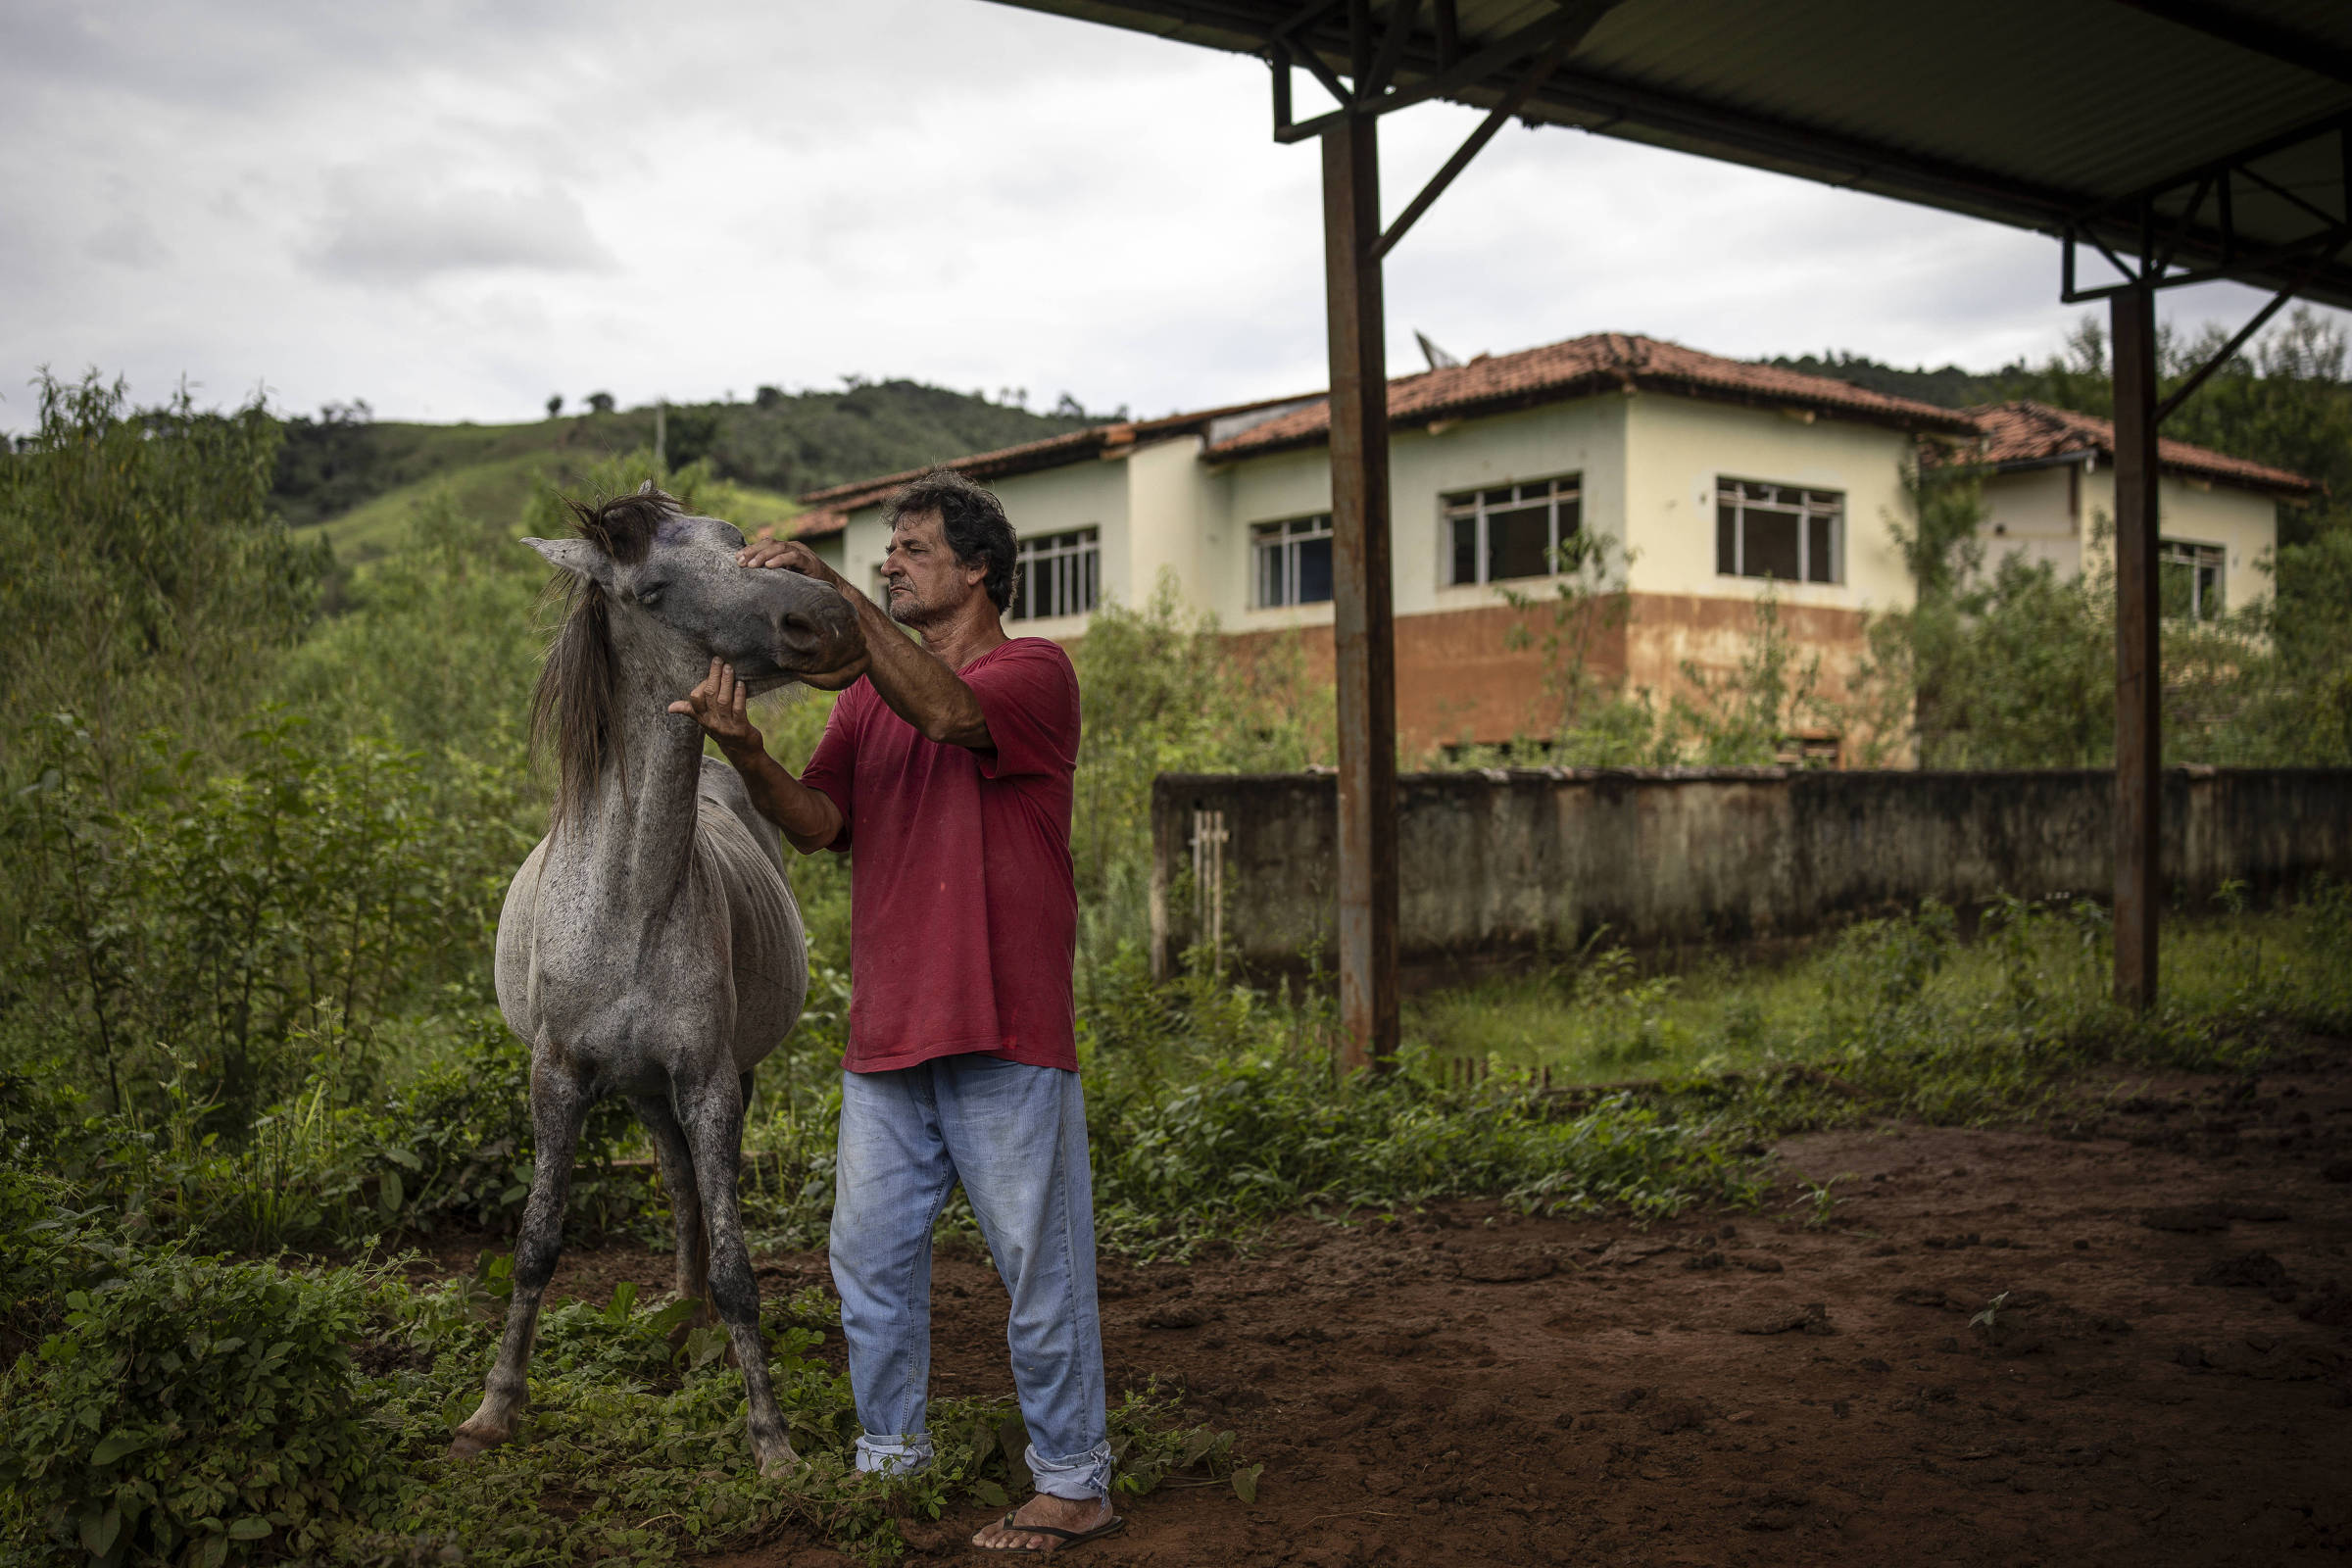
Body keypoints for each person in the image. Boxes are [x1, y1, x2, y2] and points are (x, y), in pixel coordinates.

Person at [667, 468, 1119, 1554]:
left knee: (1037, 1269)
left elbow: (954, 710)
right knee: (867, 1262)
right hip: (889, 1037)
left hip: (1007, 1028)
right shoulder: (869, 699)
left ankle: (1072, 1480)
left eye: (912, 549)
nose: (891, 563)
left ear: (978, 571)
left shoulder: (1033, 672)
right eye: (886, 552)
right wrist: (747, 752)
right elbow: (824, 823)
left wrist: (834, 593)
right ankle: (891, 1460)